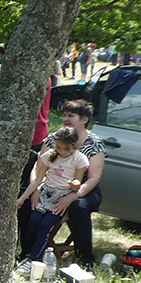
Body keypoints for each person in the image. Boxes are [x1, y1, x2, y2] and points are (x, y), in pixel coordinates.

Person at [36, 99, 106, 266]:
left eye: (71, 115)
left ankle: (85, 259)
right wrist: (36, 189)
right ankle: (27, 252)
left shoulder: (94, 143)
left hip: (84, 189)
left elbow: (94, 178)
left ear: (84, 120)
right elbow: (38, 167)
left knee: (78, 207)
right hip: (51, 185)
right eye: (64, 115)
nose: (66, 118)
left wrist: (74, 195)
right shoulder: (54, 138)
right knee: (27, 203)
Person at [17, 127, 89, 261]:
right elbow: (37, 179)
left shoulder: (79, 159)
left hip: (61, 198)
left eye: (65, 149)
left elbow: (77, 182)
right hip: (46, 193)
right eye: (58, 147)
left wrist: (74, 184)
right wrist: (22, 198)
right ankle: (28, 253)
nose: (61, 152)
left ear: (74, 146)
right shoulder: (49, 155)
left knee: (45, 226)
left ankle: (33, 258)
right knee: (33, 221)